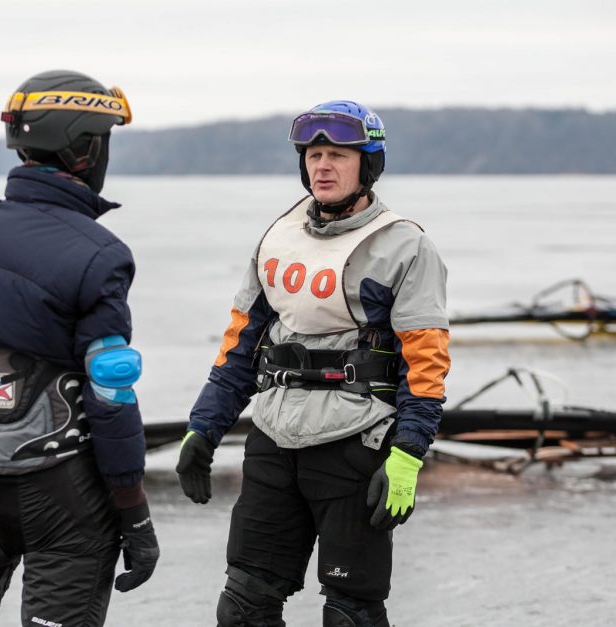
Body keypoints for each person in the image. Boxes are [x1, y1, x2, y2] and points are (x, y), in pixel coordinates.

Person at [175, 101, 450, 626]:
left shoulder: (405, 246)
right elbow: (240, 345)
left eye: (338, 155)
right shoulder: (278, 237)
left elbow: (426, 365)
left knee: (350, 614)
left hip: (356, 445)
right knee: (242, 608)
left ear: (368, 164)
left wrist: (409, 454)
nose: (322, 166)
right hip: (273, 442)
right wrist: (203, 427)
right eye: (314, 155)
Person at [0, 69, 159, 627]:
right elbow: (111, 393)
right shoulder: (101, 255)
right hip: (64, 496)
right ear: (84, 149)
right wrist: (134, 512)